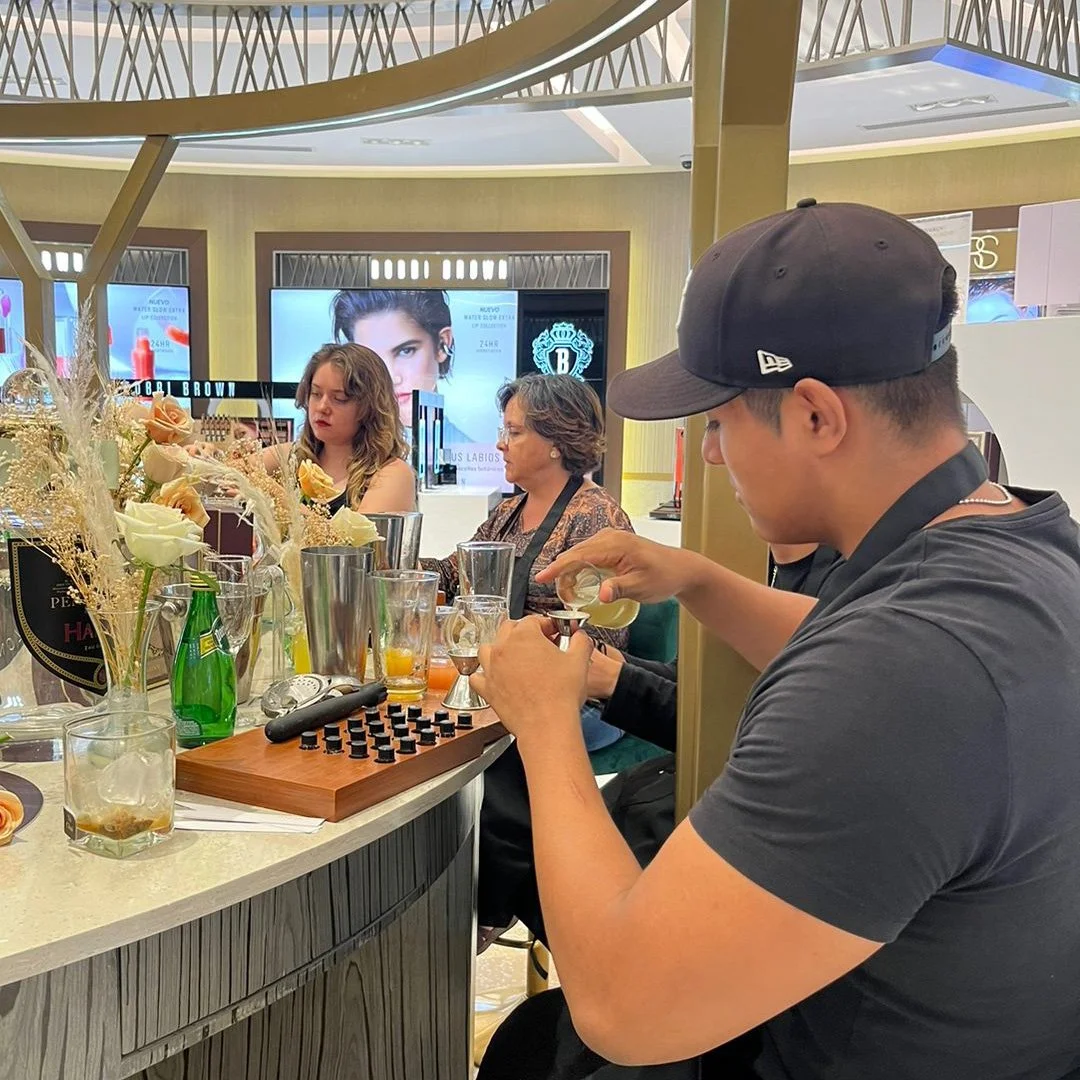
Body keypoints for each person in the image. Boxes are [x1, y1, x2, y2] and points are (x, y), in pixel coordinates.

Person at [473, 200, 1080, 1080]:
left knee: (543, 1048)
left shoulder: (902, 669)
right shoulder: (1021, 545)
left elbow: (624, 1005)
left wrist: (546, 721)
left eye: (720, 422)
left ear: (815, 417)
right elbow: (858, 637)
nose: (712, 456)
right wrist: (700, 579)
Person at [480, 543, 841, 956]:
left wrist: (598, 691)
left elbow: (734, 721)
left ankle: (481, 917)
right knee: (502, 789)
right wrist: (615, 667)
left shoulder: (864, 603)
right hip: (669, 789)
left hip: (692, 831)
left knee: (503, 789)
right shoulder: (785, 566)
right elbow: (714, 687)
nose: (718, 474)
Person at [263, 342, 416, 514]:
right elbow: (231, 471)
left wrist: (276, 496)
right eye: (316, 394)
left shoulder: (393, 474)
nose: (322, 407)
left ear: (370, 408)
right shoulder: (292, 456)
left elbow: (354, 540)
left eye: (340, 398)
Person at [332, 288, 466, 436]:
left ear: (442, 344)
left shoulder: (472, 452)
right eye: (371, 359)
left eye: (406, 351)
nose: (391, 378)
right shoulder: (337, 451)